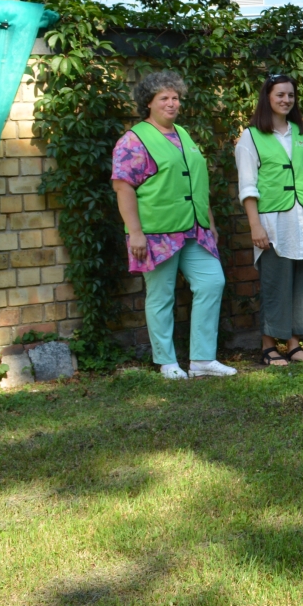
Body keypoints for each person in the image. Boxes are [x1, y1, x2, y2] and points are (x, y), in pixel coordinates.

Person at [110, 71, 234, 380]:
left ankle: (202, 360)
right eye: (163, 98)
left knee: (211, 282)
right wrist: (135, 232)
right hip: (157, 233)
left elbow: (196, 182)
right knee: (161, 295)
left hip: (195, 229)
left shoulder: (182, 134)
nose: (171, 103)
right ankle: (167, 362)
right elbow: (123, 187)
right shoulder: (133, 140)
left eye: (175, 98)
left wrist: (209, 222)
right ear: (148, 103)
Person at [237, 72, 303, 366]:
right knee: (275, 284)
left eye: (290, 95)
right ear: (267, 98)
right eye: (280, 94)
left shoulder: (302, 134)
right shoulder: (251, 136)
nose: (286, 100)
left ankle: (293, 345)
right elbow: (247, 187)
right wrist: (255, 226)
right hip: (274, 222)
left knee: (302, 284)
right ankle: (268, 347)